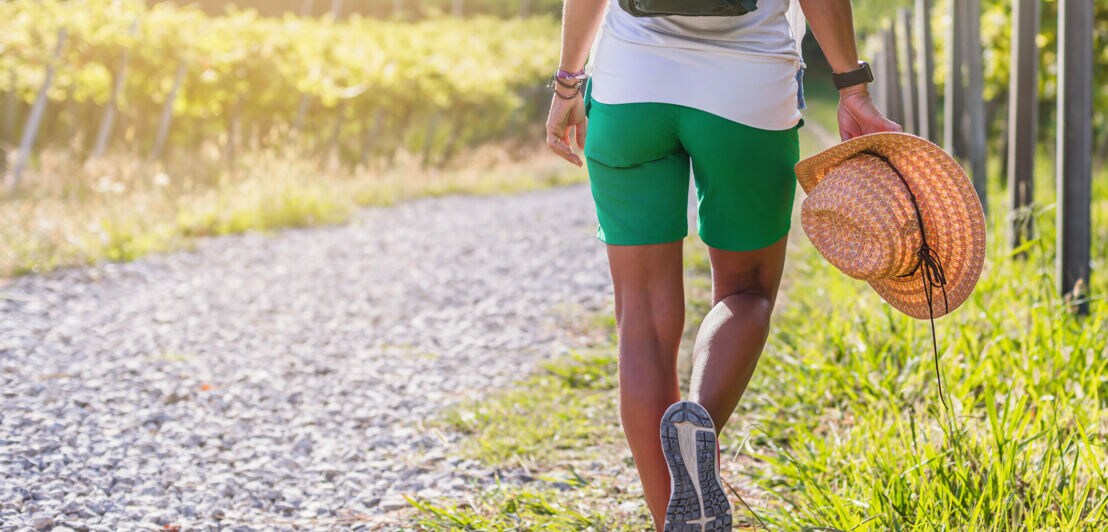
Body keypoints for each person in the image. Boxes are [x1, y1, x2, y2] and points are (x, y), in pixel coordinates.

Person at [545, 0, 901, 529]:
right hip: (748, 90)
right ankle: (698, 426)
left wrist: (567, 86)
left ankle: (675, 520)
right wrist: (852, 86)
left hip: (629, 87)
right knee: (748, 290)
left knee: (640, 318)